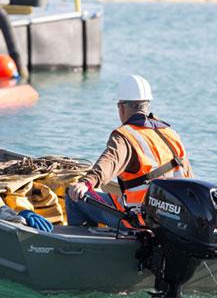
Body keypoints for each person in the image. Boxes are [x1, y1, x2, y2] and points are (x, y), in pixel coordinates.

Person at [66, 74, 193, 229]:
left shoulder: (126, 136)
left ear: (122, 108)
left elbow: (110, 161)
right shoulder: (170, 134)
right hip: (176, 223)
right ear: (147, 105)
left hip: (139, 221)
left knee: (73, 196)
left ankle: (87, 249)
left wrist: (87, 182)